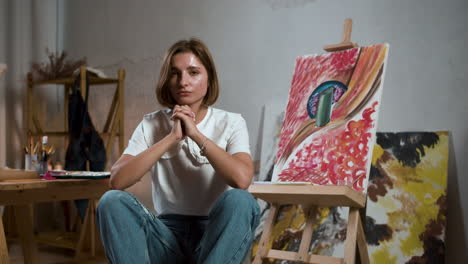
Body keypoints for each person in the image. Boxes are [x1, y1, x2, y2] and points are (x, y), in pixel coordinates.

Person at [96, 38, 260, 264]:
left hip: (214, 236)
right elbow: (118, 180)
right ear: (167, 80)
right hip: (166, 237)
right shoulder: (150, 124)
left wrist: (195, 134)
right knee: (111, 201)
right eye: (175, 73)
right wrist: (172, 137)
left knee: (241, 201)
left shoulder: (231, 122)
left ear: (209, 78)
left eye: (193, 72)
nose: (183, 81)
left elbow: (242, 179)